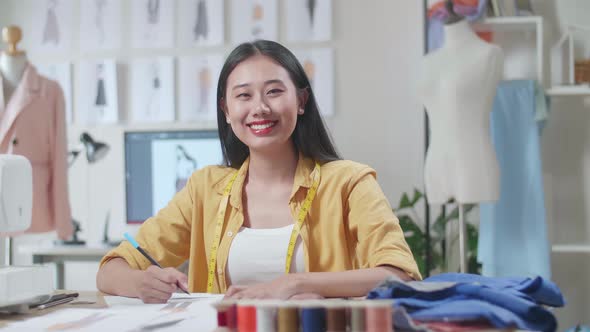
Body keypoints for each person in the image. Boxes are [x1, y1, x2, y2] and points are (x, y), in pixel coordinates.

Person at [97, 40, 420, 303]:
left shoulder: (350, 182)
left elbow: (398, 273)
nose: (260, 108)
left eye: (274, 91)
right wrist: (141, 282)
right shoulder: (205, 189)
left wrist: (293, 284)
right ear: (226, 110)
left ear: (302, 100)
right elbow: (110, 270)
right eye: (243, 95)